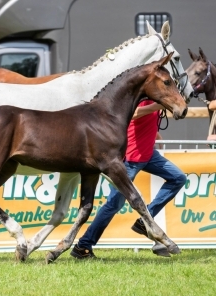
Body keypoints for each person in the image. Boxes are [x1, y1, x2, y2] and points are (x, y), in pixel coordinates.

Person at [70, 100, 187, 259]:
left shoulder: (158, 95)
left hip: (149, 155)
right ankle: (83, 246)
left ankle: (145, 221)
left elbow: (148, 120)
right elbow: (134, 114)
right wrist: (158, 105)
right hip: (130, 159)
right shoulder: (146, 96)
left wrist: (156, 135)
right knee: (113, 204)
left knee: (178, 178)